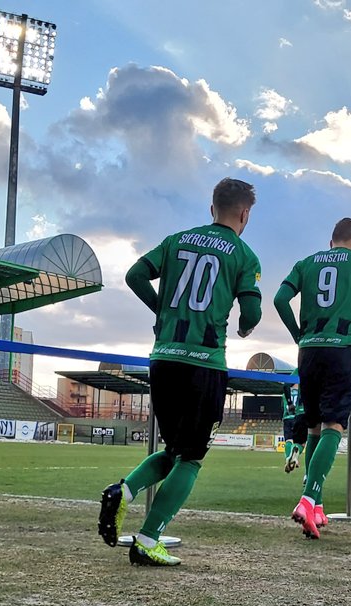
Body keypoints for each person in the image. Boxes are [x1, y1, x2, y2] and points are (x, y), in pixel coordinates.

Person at [97, 178, 262, 566]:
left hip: (164, 357)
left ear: (211, 208)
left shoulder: (175, 240)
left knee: (173, 451)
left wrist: (162, 311)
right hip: (204, 362)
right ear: (244, 214)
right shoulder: (243, 254)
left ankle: (124, 490)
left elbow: (135, 275)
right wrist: (244, 327)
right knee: (191, 459)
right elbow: (251, 312)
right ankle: (148, 538)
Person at [274, 217, 351, 539]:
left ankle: (318, 507)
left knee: (313, 428)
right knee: (334, 427)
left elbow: (279, 300)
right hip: (341, 349)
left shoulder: (306, 263)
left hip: (309, 351)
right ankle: (308, 498)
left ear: (331, 241)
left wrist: (299, 334)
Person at [281, 371, 305, 473]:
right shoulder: (300, 391)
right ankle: (295, 455)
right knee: (301, 442)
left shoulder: (284, 395)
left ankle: (288, 457)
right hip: (298, 415)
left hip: (287, 417)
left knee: (288, 441)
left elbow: (282, 407)